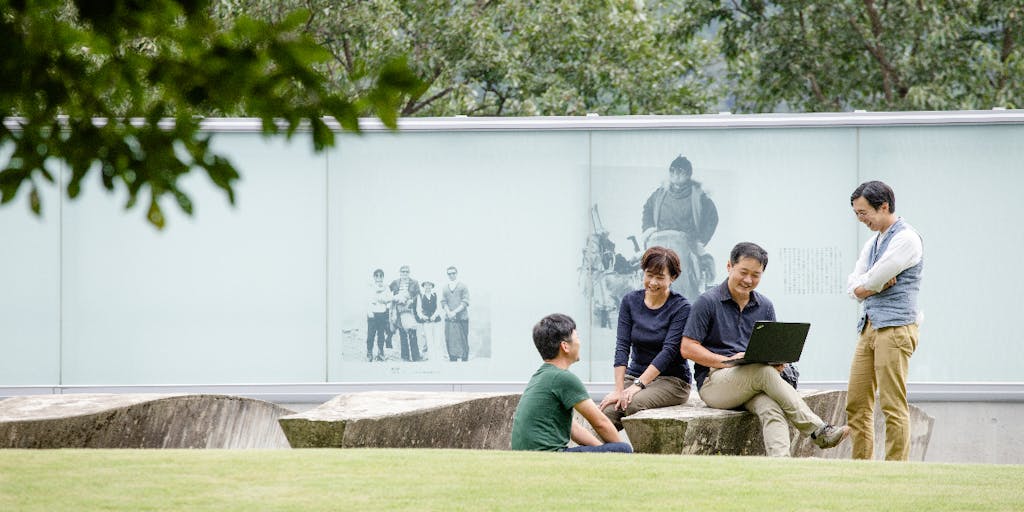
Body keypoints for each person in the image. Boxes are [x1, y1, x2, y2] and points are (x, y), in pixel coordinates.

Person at [680, 242, 850, 457]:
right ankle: (819, 430)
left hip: (755, 380)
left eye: (756, 275)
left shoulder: (765, 306)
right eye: (743, 272)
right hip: (714, 384)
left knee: (771, 407)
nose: (748, 280)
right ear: (729, 266)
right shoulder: (707, 302)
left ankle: (781, 466)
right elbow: (687, 348)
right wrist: (729, 361)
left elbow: (772, 347)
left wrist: (778, 362)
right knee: (762, 372)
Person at [846, 181, 924, 461]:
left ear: (884, 207)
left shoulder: (907, 239)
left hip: (895, 328)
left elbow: (875, 278)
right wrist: (869, 285)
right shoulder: (873, 242)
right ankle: (862, 467)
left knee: (892, 405)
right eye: (857, 214)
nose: (861, 219)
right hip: (868, 327)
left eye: (864, 213)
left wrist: (870, 283)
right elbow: (854, 285)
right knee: (856, 403)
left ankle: (895, 471)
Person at [597, 246, 693, 430]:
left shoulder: (681, 307)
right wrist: (619, 389)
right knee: (606, 411)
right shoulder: (630, 301)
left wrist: (638, 385)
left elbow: (669, 350)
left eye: (660, 277)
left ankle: (640, 456)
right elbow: (622, 346)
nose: (653, 282)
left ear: (672, 278)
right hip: (635, 374)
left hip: (672, 380)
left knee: (633, 404)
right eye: (649, 275)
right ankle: (605, 453)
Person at [511, 313, 633, 453]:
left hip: (532, 458)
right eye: (577, 337)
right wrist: (624, 456)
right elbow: (601, 423)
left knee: (614, 450)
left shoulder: (542, 376)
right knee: (623, 449)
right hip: (550, 457)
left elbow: (574, 429)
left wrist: (602, 451)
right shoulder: (563, 378)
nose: (580, 343)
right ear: (565, 346)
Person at [641, 155, 719, 301]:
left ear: (688, 174)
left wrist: (700, 240)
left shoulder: (698, 196)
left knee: (680, 275)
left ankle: (685, 307)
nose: (676, 174)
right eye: (672, 171)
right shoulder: (660, 193)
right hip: (659, 239)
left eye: (680, 171)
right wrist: (649, 229)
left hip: (684, 241)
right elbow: (648, 209)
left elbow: (712, 218)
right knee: (651, 273)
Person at [389, 265, 421, 362]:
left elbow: (418, 295)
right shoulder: (395, 283)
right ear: (400, 273)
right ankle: (405, 357)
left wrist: (411, 301)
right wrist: (394, 300)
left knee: (412, 332)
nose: (405, 274)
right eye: (403, 272)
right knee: (402, 333)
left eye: (406, 272)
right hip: (398, 311)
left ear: (409, 272)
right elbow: (388, 292)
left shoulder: (414, 283)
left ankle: (415, 357)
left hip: (410, 310)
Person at [442, 266, 470, 361]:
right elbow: (443, 302)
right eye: (449, 274)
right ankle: (452, 360)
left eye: (453, 273)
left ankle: (464, 362)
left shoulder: (463, 286)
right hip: (449, 318)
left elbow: (465, 302)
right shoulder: (445, 288)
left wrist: (454, 312)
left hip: (462, 318)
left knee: (463, 340)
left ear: (456, 273)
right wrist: (449, 312)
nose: (451, 275)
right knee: (450, 340)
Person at [366, 269, 392, 362]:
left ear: (383, 277)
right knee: (370, 335)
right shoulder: (370, 287)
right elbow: (368, 300)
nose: (379, 278)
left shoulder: (386, 287)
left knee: (381, 335)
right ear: (374, 277)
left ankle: (380, 353)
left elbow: (389, 298)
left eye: (381, 276)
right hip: (372, 313)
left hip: (382, 313)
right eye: (377, 276)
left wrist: (383, 300)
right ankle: (369, 353)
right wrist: (370, 312)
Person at [415, 280, 443, 360]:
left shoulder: (435, 295)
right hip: (426, 321)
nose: (428, 287)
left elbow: (439, 307)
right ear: (423, 286)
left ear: (432, 286)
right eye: (426, 285)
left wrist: (434, 315)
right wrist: (423, 317)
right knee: (429, 340)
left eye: (429, 285)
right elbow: (418, 309)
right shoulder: (420, 296)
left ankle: (438, 358)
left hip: (436, 320)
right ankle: (432, 358)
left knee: (437, 339)